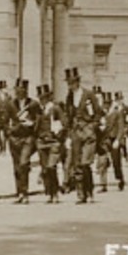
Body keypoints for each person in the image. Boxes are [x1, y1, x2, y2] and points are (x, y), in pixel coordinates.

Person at [63, 68, 101, 203]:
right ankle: (81, 193)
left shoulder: (88, 94)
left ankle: (89, 191)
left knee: (85, 163)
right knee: (77, 164)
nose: (70, 85)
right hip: (76, 133)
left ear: (77, 82)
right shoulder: (69, 96)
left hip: (88, 133)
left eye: (72, 82)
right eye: (68, 83)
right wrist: (68, 135)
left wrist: (92, 126)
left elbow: (98, 113)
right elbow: (68, 116)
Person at [5, 78, 40, 204]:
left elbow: (39, 120)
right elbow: (5, 120)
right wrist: (8, 132)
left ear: (26, 91)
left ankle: (25, 193)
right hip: (14, 138)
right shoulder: (10, 104)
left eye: (21, 90)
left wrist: (32, 124)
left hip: (27, 138)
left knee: (24, 163)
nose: (19, 92)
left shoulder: (33, 104)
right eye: (17, 90)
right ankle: (19, 193)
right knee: (17, 167)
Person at [36, 84, 64, 202]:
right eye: (41, 98)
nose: (42, 100)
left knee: (51, 166)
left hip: (53, 142)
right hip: (42, 142)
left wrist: (59, 136)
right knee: (45, 169)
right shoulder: (38, 110)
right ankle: (48, 192)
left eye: (44, 98)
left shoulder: (55, 109)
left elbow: (63, 123)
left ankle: (55, 192)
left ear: (49, 97)